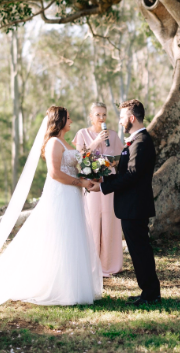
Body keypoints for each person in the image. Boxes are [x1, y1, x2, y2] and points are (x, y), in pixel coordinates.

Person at [0, 106, 103, 313]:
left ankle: (74, 286)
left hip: (73, 196)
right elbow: (55, 173)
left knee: (73, 237)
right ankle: (59, 287)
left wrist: (90, 176)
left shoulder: (66, 142)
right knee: (60, 237)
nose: (71, 121)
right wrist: (80, 183)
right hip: (61, 195)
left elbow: (76, 165)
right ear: (59, 121)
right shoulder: (53, 143)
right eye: (68, 118)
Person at [88, 99, 161, 306]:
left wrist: (103, 187)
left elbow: (132, 175)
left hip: (135, 207)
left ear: (131, 118)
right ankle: (148, 291)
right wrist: (103, 179)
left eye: (122, 118)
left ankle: (150, 294)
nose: (119, 122)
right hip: (131, 206)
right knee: (139, 251)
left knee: (140, 251)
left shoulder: (141, 142)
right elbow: (126, 173)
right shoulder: (135, 141)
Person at [73, 102, 124, 277]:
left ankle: (109, 264)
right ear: (90, 116)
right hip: (92, 183)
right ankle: (91, 264)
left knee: (110, 219)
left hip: (109, 183)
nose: (101, 118)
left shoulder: (114, 135)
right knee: (93, 220)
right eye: (98, 115)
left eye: (104, 114)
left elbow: (120, 159)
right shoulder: (82, 134)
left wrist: (112, 162)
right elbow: (79, 157)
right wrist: (96, 142)